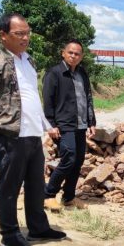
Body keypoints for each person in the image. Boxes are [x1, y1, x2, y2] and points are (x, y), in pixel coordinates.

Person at [0, 13, 66, 246]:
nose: (25, 38)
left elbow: (32, 96)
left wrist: (45, 125)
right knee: (9, 185)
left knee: (35, 184)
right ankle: (10, 233)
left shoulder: (29, 61)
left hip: (32, 132)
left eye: (27, 33)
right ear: (3, 35)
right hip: (9, 133)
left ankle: (37, 227)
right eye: (19, 34)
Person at [42, 40, 96, 212]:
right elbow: (47, 101)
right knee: (69, 158)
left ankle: (68, 197)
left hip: (80, 125)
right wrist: (50, 124)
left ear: (81, 57)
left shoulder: (82, 74)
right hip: (63, 125)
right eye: (70, 52)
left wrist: (91, 121)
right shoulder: (54, 73)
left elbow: (87, 99)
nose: (73, 56)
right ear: (63, 53)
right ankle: (48, 195)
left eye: (77, 53)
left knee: (78, 161)